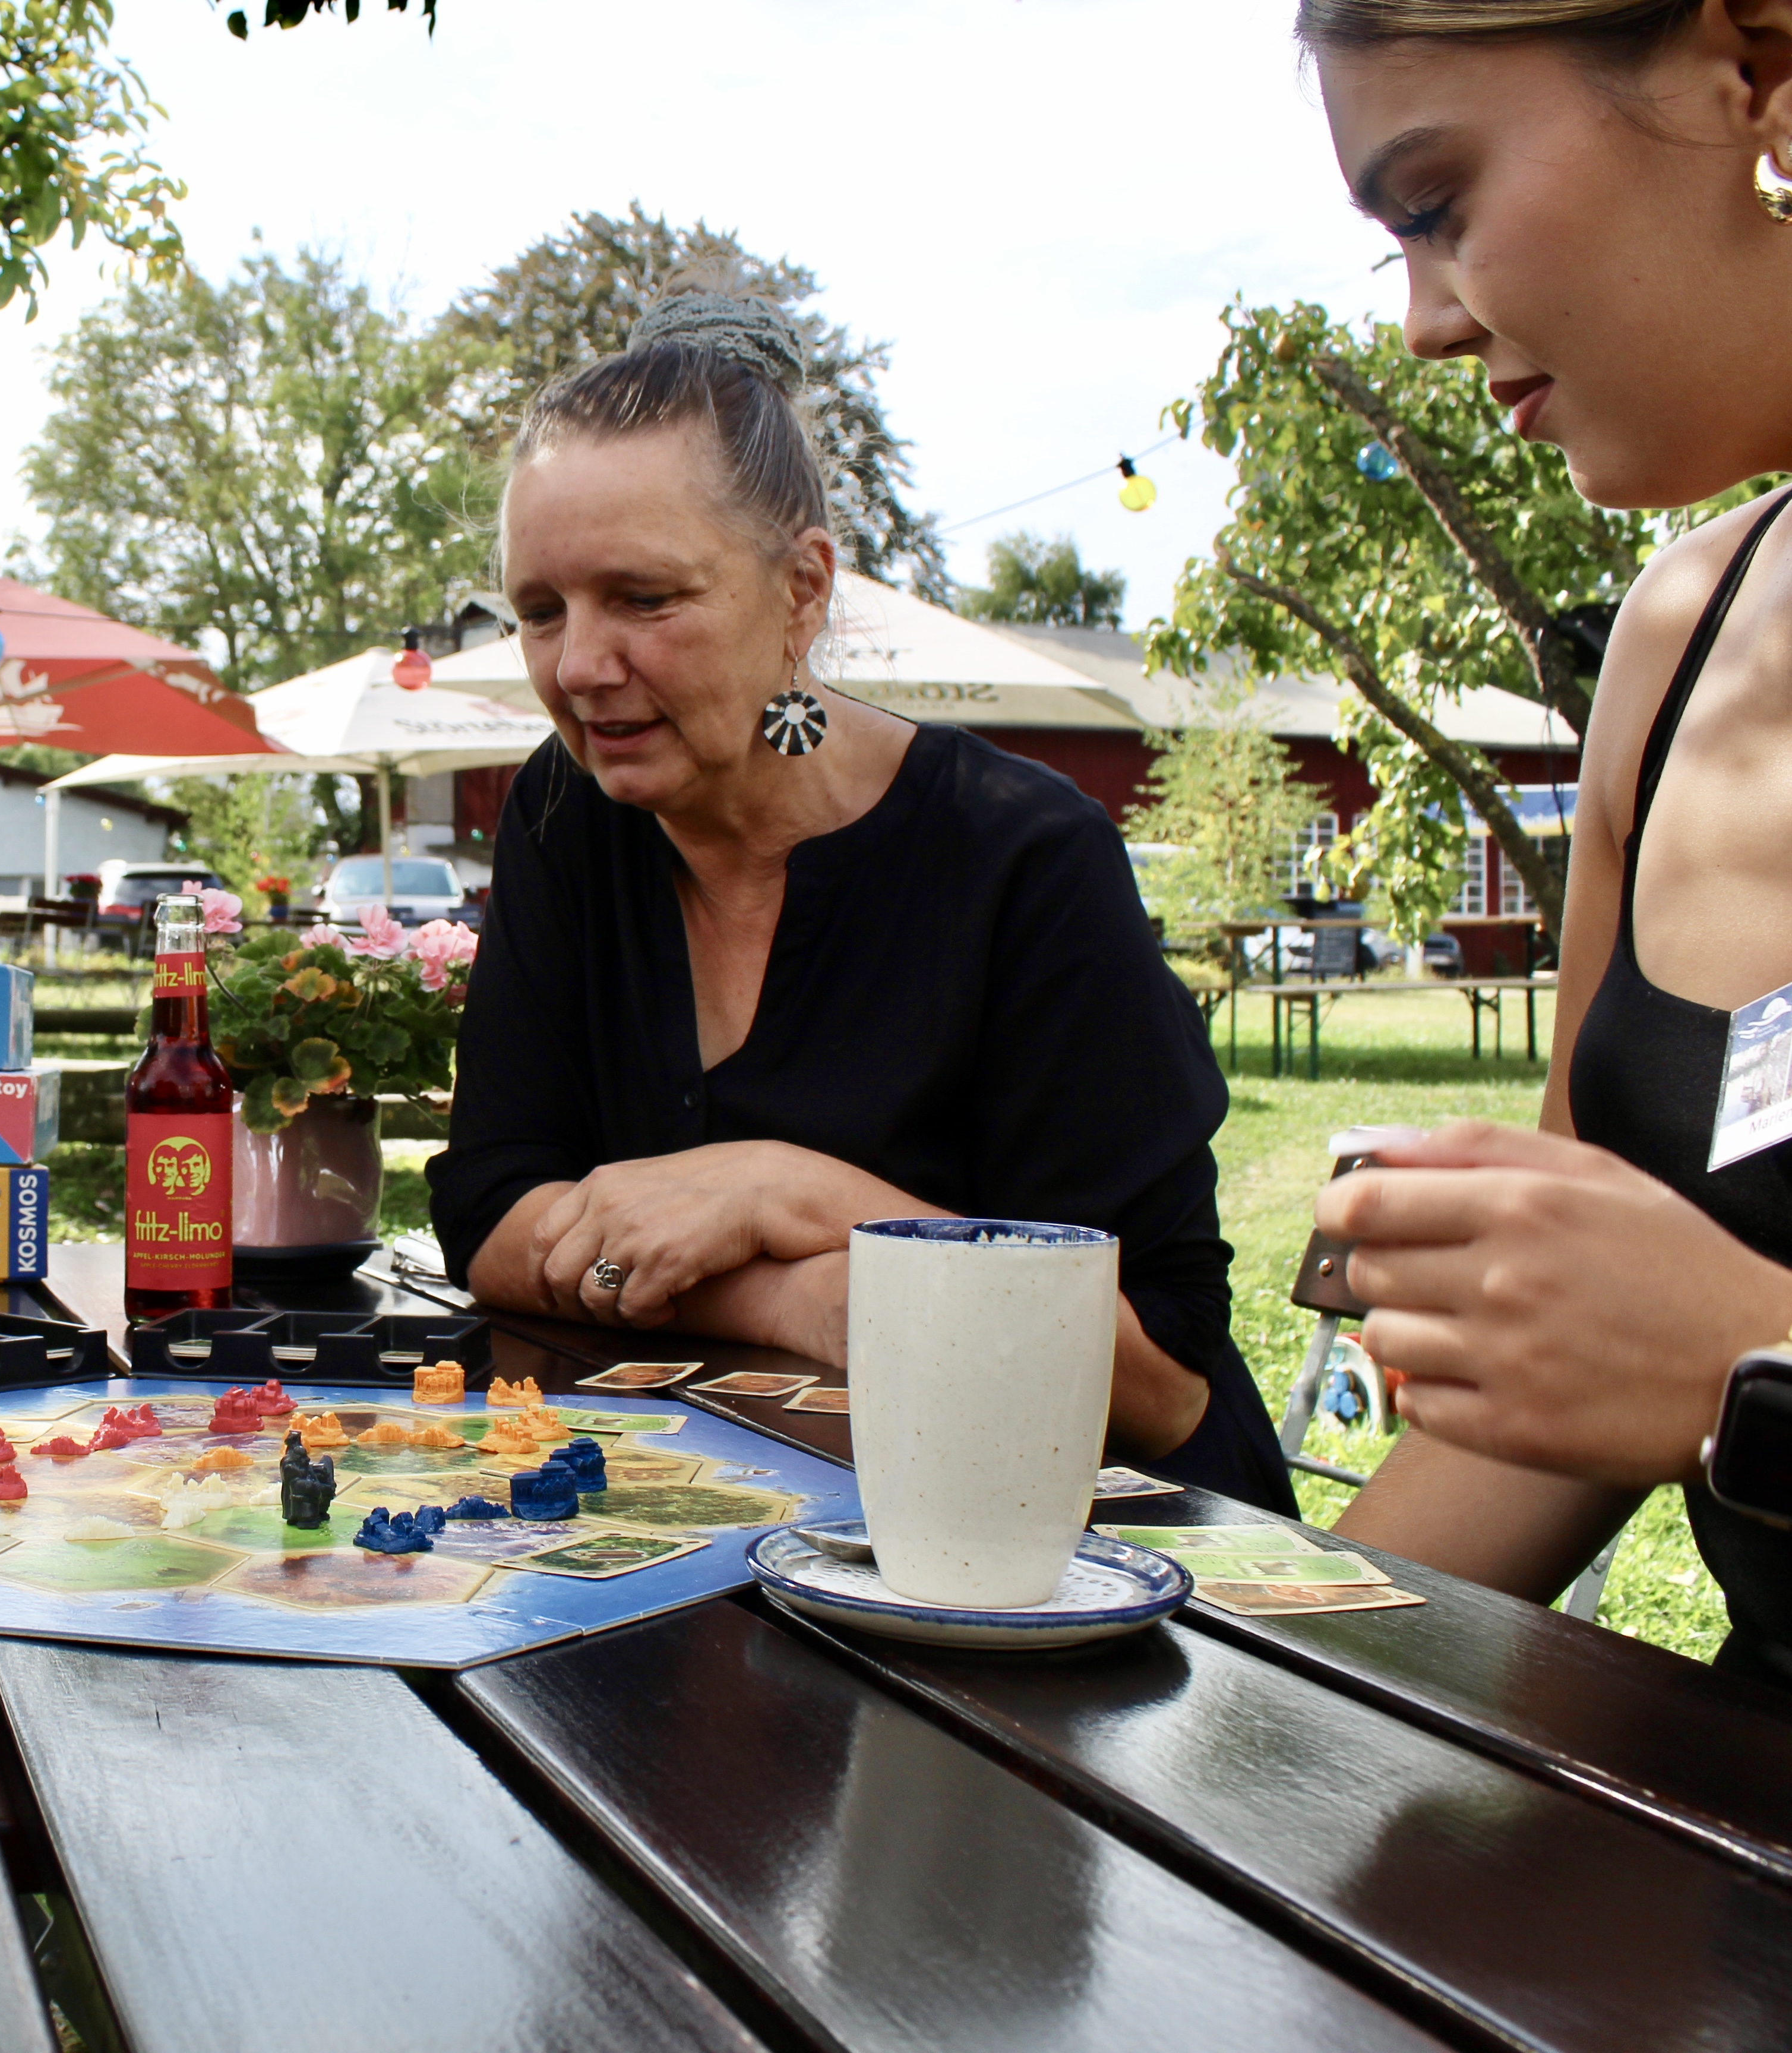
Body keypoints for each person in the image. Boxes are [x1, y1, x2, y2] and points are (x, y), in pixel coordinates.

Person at [426, 293, 1291, 1509]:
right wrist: (798, 1296)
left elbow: (1160, 1388)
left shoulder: (1023, 858)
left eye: (645, 598)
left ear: (803, 590)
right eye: (541, 610)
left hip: (1102, 1566)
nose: (578, 666)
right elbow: (493, 1219)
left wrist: (793, 1192)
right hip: (740, 1539)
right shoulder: (565, 816)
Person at [1292, 0, 1792, 1689]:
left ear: (1756, 75)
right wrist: (1217, 1688)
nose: (1427, 326)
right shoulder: (1679, 641)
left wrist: (1751, 1369)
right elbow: (1559, 1406)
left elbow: (1691, 1351)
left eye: (1435, 204)